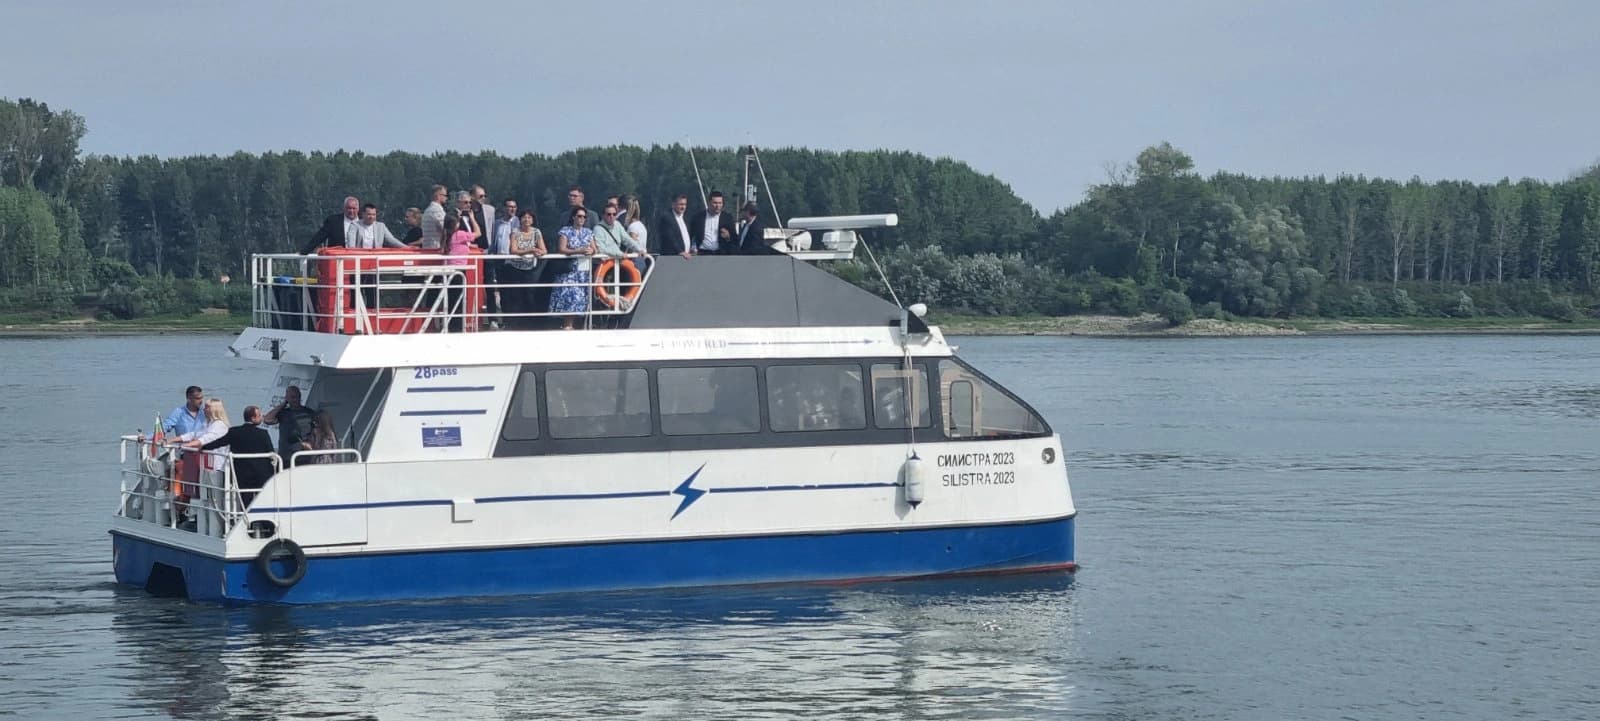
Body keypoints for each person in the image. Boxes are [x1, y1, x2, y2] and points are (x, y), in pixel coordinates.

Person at [201, 406, 276, 508]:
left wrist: (202, 447)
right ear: (253, 418)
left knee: (246, 501)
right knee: (262, 500)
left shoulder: (234, 431)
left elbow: (218, 443)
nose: (262, 417)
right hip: (262, 474)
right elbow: (271, 452)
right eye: (259, 415)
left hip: (242, 474)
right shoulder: (263, 434)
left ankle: (247, 516)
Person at [550, 209, 596, 330]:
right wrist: (578, 251)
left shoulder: (588, 232)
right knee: (570, 296)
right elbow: (562, 249)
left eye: (584, 217)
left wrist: (591, 251)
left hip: (583, 272)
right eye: (579, 216)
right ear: (573, 217)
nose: (582, 219)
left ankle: (575, 325)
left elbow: (595, 249)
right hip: (569, 271)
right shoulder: (565, 231)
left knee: (581, 297)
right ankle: (567, 325)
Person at [501, 208, 546, 327]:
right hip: (515, 268)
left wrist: (539, 252)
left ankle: (531, 322)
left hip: (530, 268)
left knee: (530, 294)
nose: (527, 220)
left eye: (529, 217)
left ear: (533, 220)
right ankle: (515, 323)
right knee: (516, 295)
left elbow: (544, 250)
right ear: (520, 219)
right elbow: (513, 250)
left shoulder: (536, 232)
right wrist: (530, 250)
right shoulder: (515, 232)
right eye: (524, 217)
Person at [486, 197, 521, 326]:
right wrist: (486, 253)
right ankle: (505, 321)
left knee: (514, 292)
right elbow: (494, 242)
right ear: (504, 208)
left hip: (514, 261)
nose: (512, 209)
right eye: (509, 206)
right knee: (503, 292)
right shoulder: (497, 223)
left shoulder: (519, 222)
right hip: (500, 261)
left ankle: (515, 321)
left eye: (514, 207)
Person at [263, 385, 318, 466]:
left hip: (303, 454)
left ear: (299, 397)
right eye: (291, 397)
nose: (294, 399)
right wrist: (283, 404)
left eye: (296, 397)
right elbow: (267, 419)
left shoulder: (309, 412)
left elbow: (317, 431)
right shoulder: (283, 413)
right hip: (285, 455)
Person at [442, 214, 477, 332]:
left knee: (451, 299)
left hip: (449, 270)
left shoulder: (446, 236)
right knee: (459, 299)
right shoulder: (460, 234)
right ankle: (457, 327)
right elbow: (478, 233)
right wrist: (472, 218)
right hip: (459, 270)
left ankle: (451, 325)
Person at [689, 190, 736, 255]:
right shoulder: (698, 218)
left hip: (720, 254)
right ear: (709, 203)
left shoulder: (727, 218)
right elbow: (692, 235)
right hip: (702, 253)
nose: (718, 205)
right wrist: (693, 247)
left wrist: (728, 237)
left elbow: (735, 239)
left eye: (720, 203)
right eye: (715, 203)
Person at [654, 194, 693, 258]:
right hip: (672, 257)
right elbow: (670, 238)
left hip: (686, 257)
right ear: (673, 204)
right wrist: (680, 251)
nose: (683, 207)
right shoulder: (666, 218)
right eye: (681, 204)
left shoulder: (686, 218)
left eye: (685, 204)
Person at [421, 185, 449, 250]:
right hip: (436, 248)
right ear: (438, 196)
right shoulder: (437, 210)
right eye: (445, 195)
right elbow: (446, 229)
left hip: (428, 247)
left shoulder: (427, 210)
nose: (446, 198)